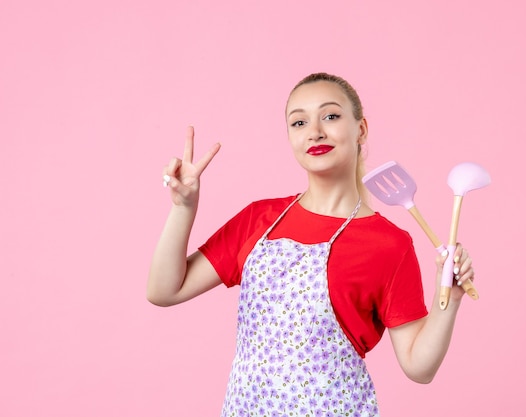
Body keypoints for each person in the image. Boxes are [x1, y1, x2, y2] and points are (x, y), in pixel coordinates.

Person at [147, 72, 475, 416]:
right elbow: (164, 290)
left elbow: (418, 367)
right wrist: (184, 207)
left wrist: (449, 299)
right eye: (298, 122)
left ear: (361, 129)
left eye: (331, 116)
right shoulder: (258, 219)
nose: (315, 131)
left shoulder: (389, 244)